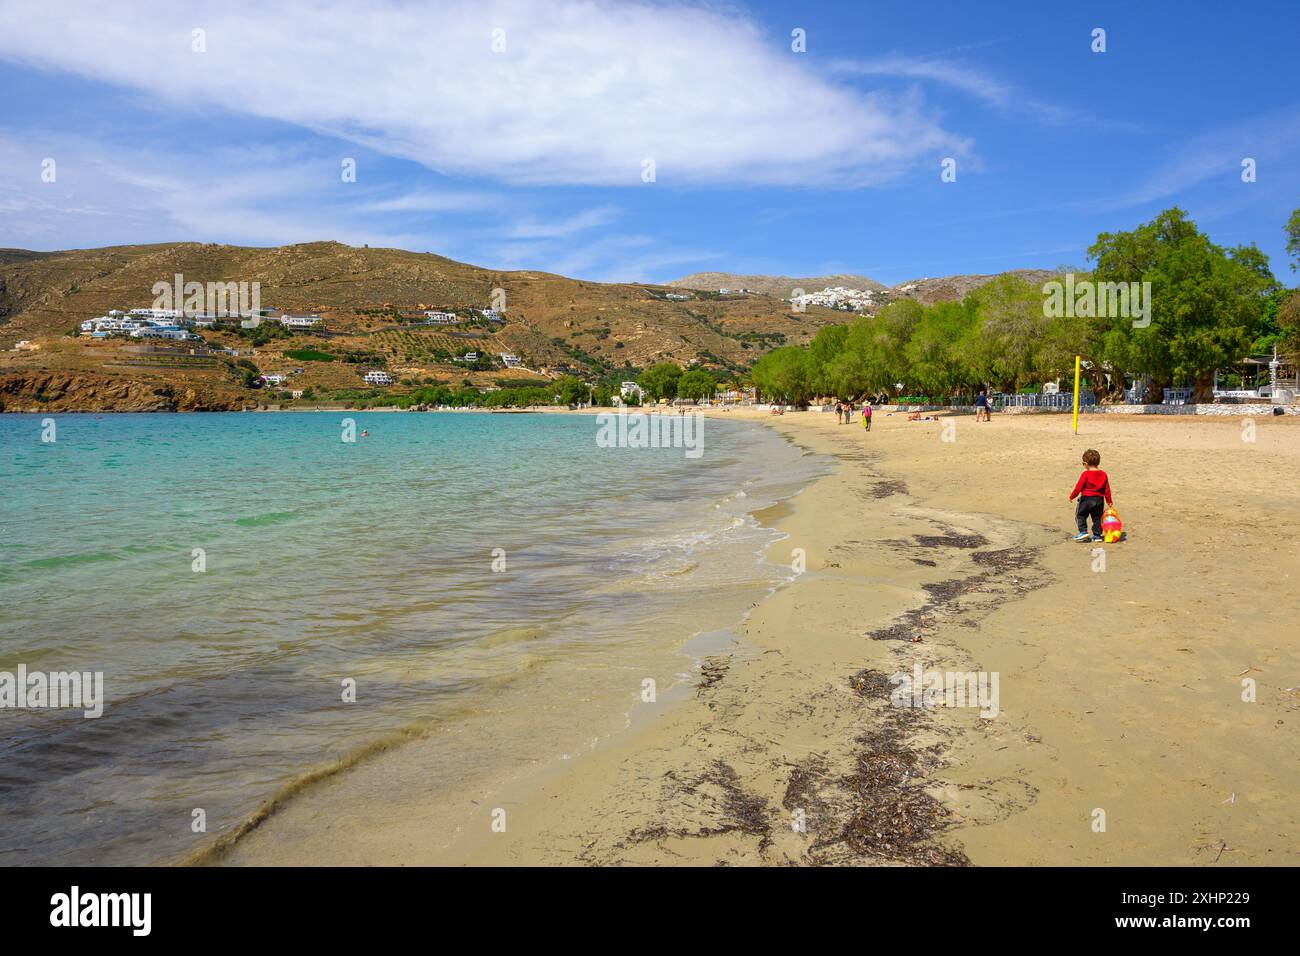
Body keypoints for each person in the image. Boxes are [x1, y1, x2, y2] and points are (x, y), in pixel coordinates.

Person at [1068, 449, 1113, 542]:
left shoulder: (1086, 474)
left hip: (1086, 499)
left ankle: (1083, 531)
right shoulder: (1103, 474)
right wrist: (1109, 500)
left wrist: (1072, 496)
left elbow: (1079, 487)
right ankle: (1097, 535)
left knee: (1080, 515)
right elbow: (1107, 489)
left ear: (1085, 463)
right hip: (1099, 500)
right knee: (1097, 518)